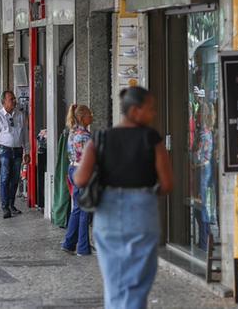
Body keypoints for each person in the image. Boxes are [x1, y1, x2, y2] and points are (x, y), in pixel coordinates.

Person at [75, 87, 173, 309]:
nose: (154, 114)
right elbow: (167, 184)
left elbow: (80, 179)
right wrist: (145, 192)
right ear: (135, 110)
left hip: (107, 216)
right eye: (151, 109)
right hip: (142, 213)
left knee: (114, 281)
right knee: (137, 282)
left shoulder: (99, 138)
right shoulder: (152, 139)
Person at [0, 90, 30, 219]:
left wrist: (27, 151)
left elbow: (25, 135)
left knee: (15, 179)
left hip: (17, 150)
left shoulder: (20, 115)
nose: (14, 101)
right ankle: (5, 206)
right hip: (4, 150)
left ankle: (11, 204)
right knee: (5, 178)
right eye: (11, 99)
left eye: (14, 99)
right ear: (3, 102)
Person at [61, 104, 93, 256]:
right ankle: (82, 247)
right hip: (82, 170)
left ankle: (69, 243)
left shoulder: (72, 132)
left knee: (77, 208)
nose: (91, 117)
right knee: (84, 210)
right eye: (89, 114)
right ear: (82, 117)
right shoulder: (84, 136)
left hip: (73, 169)